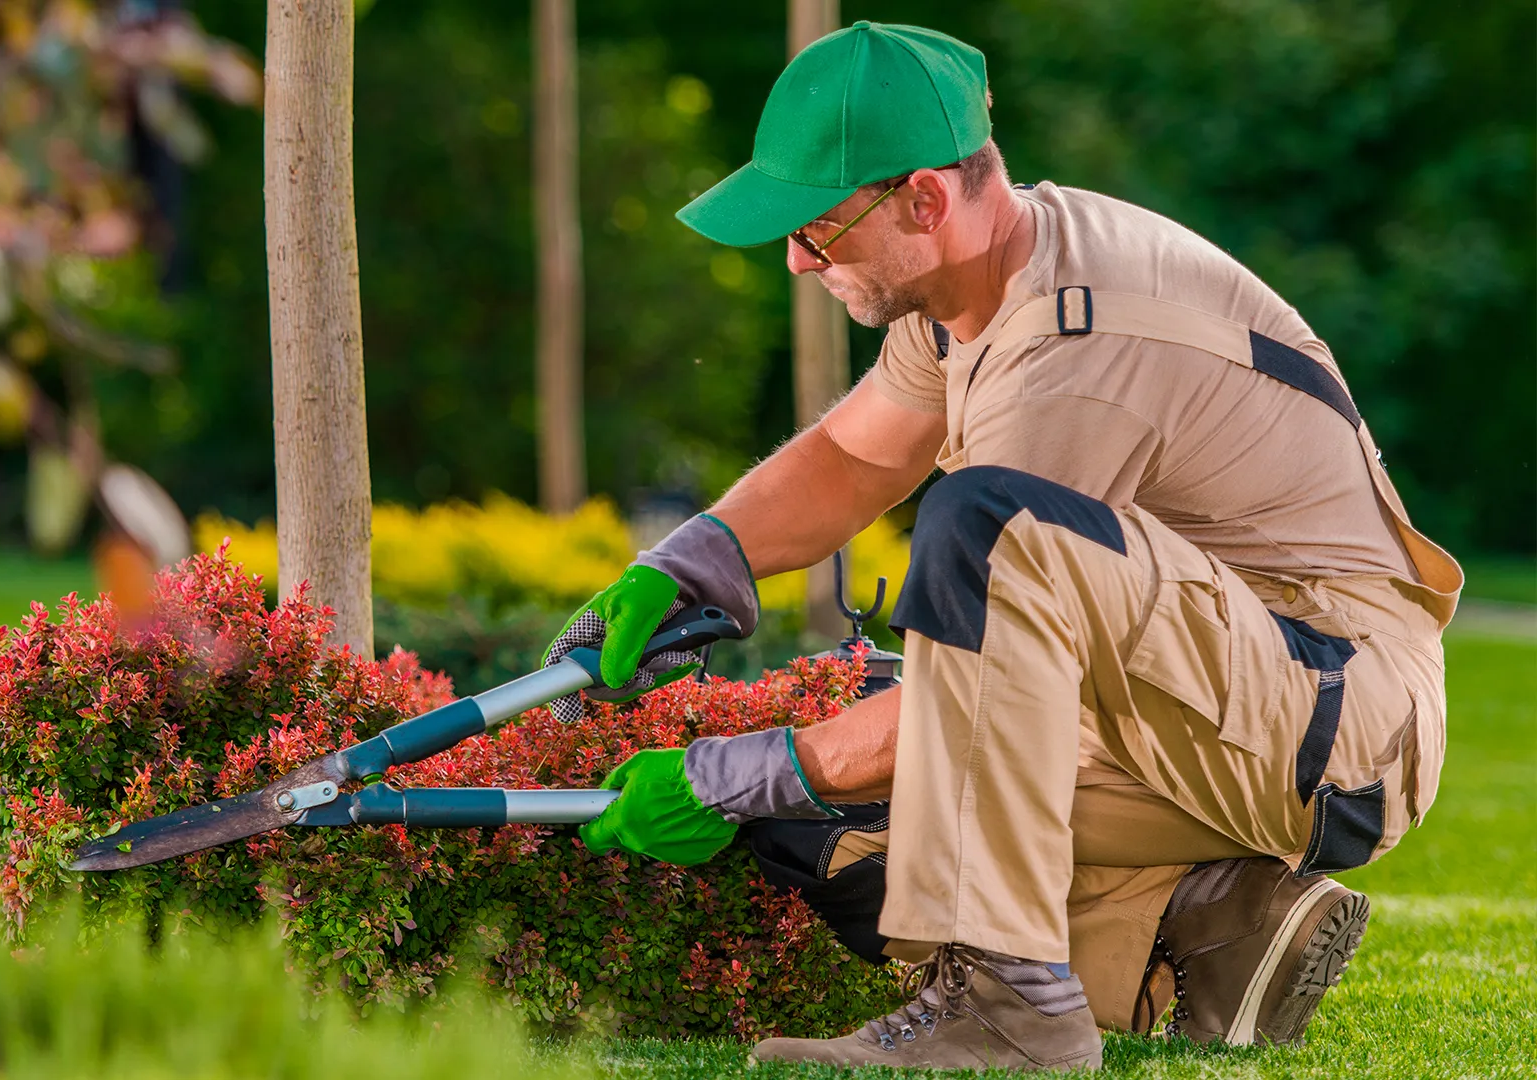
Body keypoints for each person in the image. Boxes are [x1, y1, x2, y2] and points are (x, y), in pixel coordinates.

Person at [541, 22, 1462, 1072]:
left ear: (925, 200)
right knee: (830, 823)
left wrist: (742, 770)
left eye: (817, 229)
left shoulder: (1075, 346)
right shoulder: (973, 289)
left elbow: (968, 687)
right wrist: (694, 562)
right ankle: (1213, 927)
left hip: (1330, 713)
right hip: (1207, 708)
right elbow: (854, 457)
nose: (796, 260)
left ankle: (1014, 1008)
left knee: (971, 549)